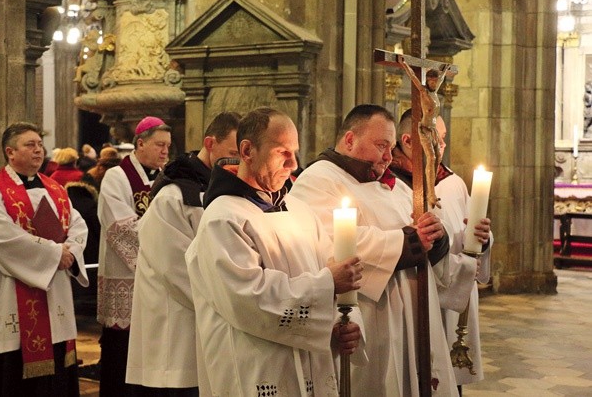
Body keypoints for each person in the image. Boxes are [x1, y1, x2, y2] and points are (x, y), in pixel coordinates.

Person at [185, 107, 365, 396]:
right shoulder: (223, 218)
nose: (294, 163)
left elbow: (337, 274)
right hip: (257, 367)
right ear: (247, 151)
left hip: (312, 364)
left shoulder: (300, 210)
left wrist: (345, 324)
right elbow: (248, 299)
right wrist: (327, 283)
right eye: (282, 151)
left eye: (295, 151)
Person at [290, 104, 459, 397]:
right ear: (350, 139)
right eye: (381, 145)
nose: (388, 157)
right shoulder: (318, 179)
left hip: (416, 315)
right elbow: (331, 243)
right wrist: (410, 241)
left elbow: (428, 228)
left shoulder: (394, 186)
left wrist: (438, 235)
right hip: (371, 316)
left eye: (391, 148)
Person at [0, 122, 89, 397]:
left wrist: (70, 252)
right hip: (8, 296)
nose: (38, 150)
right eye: (29, 145)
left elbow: (78, 226)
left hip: (54, 292)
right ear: (10, 152)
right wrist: (56, 253)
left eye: (39, 144)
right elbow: (3, 238)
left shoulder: (57, 190)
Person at [126, 111, 241, 396]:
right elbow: (173, 267)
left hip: (212, 317)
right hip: (177, 323)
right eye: (232, 153)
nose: (237, 163)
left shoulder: (221, 188)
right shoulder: (175, 194)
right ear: (210, 143)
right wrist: (231, 300)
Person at [390, 109, 492, 394]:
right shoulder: (391, 184)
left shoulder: (452, 182)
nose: (443, 146)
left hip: (455, 296)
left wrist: (482, 237)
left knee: (451, 381)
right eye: (437, 138)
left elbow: (469, 235)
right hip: (417, 295)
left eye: (444, 138)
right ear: (408, 140)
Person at [97, 116, 171, 397]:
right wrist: (163, 247)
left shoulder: (169, 178)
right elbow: (119, 227)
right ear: (140, 143)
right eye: (159, 145)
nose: (165, 151)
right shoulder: (117, 176)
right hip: (127, 277)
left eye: (168, 146)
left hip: (157, 280)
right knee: (121, 353)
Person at [398, 56, 450, 209]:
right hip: (425, 129)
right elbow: (414, 78)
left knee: (437, 157)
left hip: (432, 129)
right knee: (432, 157)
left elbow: (440, 80)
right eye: (432, 81)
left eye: (444, 137)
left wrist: (445, 70)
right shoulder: (424, 92)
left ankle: (431, 188)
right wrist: (405, 64)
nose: (434, 83)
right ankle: (430, 193)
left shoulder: (434, 92)